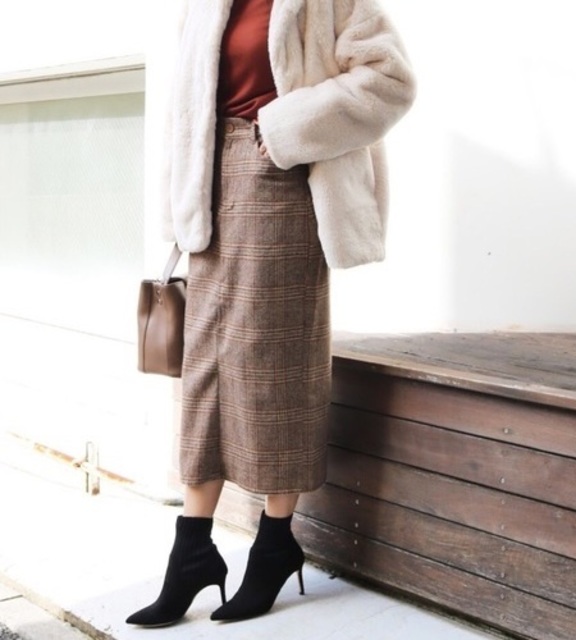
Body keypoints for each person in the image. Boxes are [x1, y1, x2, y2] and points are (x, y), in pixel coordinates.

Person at [126, 0, 415, 627]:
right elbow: (185, 108)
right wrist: (178, 202)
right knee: (204, 373)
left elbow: (390, 80)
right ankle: (192, 549)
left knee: (276, 367)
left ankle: (275, 541)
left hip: (286, 181)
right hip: (212, 188)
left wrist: (284, 128)